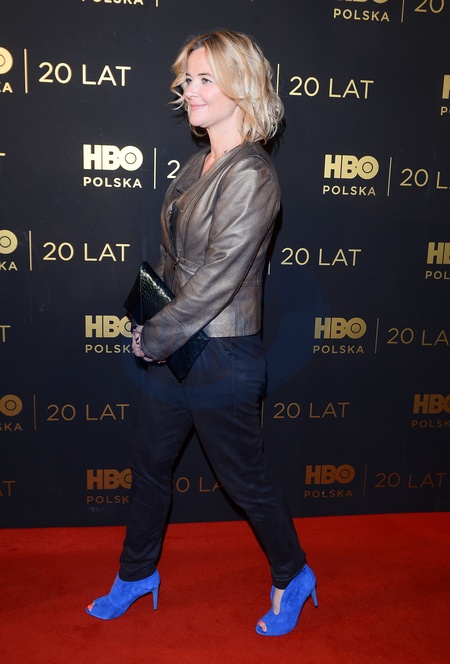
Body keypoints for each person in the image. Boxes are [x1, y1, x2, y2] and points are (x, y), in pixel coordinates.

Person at [86, 29, 317, 637]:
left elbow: (218, 279)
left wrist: (156, 336)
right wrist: (149, 318)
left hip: (223, 354)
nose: (189, 90)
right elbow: (175, 261)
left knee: (244, 478)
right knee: (148, 462)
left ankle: (293, 573)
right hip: (177, 343)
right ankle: (137, 573)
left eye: (205, 79)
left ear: (241, 87)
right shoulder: (198, 164)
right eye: (187, 79)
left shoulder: (253, 175)